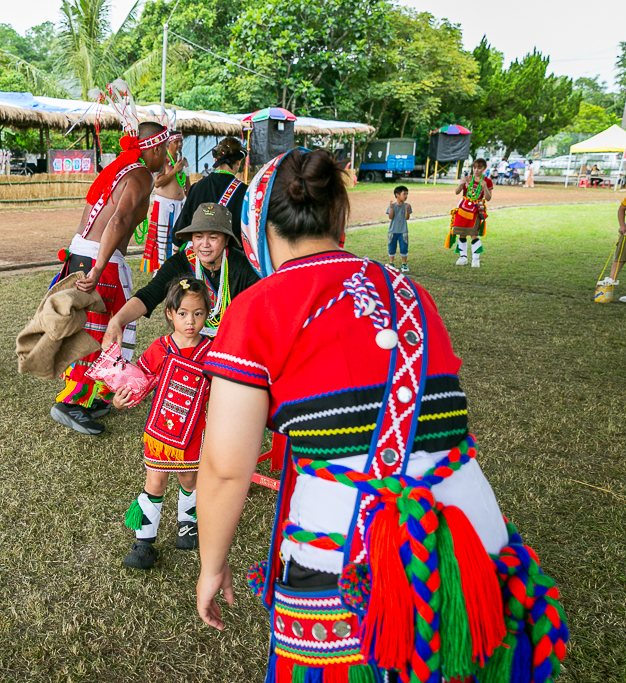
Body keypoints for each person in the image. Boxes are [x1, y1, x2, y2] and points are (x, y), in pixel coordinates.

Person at [194, 148, 568, 683]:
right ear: (340, 218)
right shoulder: (411, 291)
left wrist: (212, 566)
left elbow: (227, 467)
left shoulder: (258, 308)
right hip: (470, 534)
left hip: (345, 547)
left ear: (257, 226)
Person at [48, 118, 171, 436]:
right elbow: (118, 220)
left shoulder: (122, 168)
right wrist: (100, 267)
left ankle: (91, 396)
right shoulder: (141, 173)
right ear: (154, 148)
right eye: (166, 151)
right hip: (97, 261)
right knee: (100, 335)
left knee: (95, 332)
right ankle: (72, 403)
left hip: (82, 255)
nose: (168, 159)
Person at [113, 278, 213, 569]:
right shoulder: (162, 347)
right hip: (160, 432)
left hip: (194, 433)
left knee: (189, 480)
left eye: (198, 313)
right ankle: (144, 542)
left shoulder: (212, 352)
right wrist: (121, 399)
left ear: (208, 313)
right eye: (182, 313)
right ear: (170, 313)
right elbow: (139, 381)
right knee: (155, 482)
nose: (190, 321)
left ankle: (187, 525)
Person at [104, 202, 260, 349]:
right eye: (198, 237)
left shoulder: (242, 265)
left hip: (234, 344)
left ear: (226, 240)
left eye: (213, 237)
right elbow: (149, 295)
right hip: (191, 344)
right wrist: (117, 321)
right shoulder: (180, 263)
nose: (204, 244)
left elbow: (262, 308)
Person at [172, 137, 248, 247]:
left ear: (215, 160)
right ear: (239, 161)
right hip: (231, 258)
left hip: (200, 256)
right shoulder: (245, 192)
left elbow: (180, 231)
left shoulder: (196, 187)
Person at [141, 131, 189, 272]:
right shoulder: (163, 160)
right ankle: (160, 270)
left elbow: (187, 184)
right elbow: (157, 182)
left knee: (178, 238)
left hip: (180, 204)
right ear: (169, 144)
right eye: (176, 142)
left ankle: (176, 267)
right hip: (164, 205)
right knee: (162, 240)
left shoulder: (183, 160)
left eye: (181, 141)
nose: (180, 144)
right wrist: (174, 171)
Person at [449, 158, 493, 267]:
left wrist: (485, 188)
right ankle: (462, 257)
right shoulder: (467, 179)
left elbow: (488, 198)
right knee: (462, 233)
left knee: (474, 234)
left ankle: (475, 259)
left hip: (476, 209)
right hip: (463, 208)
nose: (476, 170)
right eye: (474, 167)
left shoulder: (487, 181)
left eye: (479, 168)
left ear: (484, 168)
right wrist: (460, 184)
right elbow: (457, 192)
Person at [386, 185, 412, 272]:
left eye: (407, 194)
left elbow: (406, 218)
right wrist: (392, 209)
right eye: (404, 194)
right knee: (391, 247)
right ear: (397, 195)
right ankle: (391, 263)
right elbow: (390, 217)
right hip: (392, 231)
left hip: (403, 231)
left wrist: (407, 210)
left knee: (404, 247)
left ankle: (404, 264)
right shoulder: (392, 205)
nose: (406, 196)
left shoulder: (407, 206)